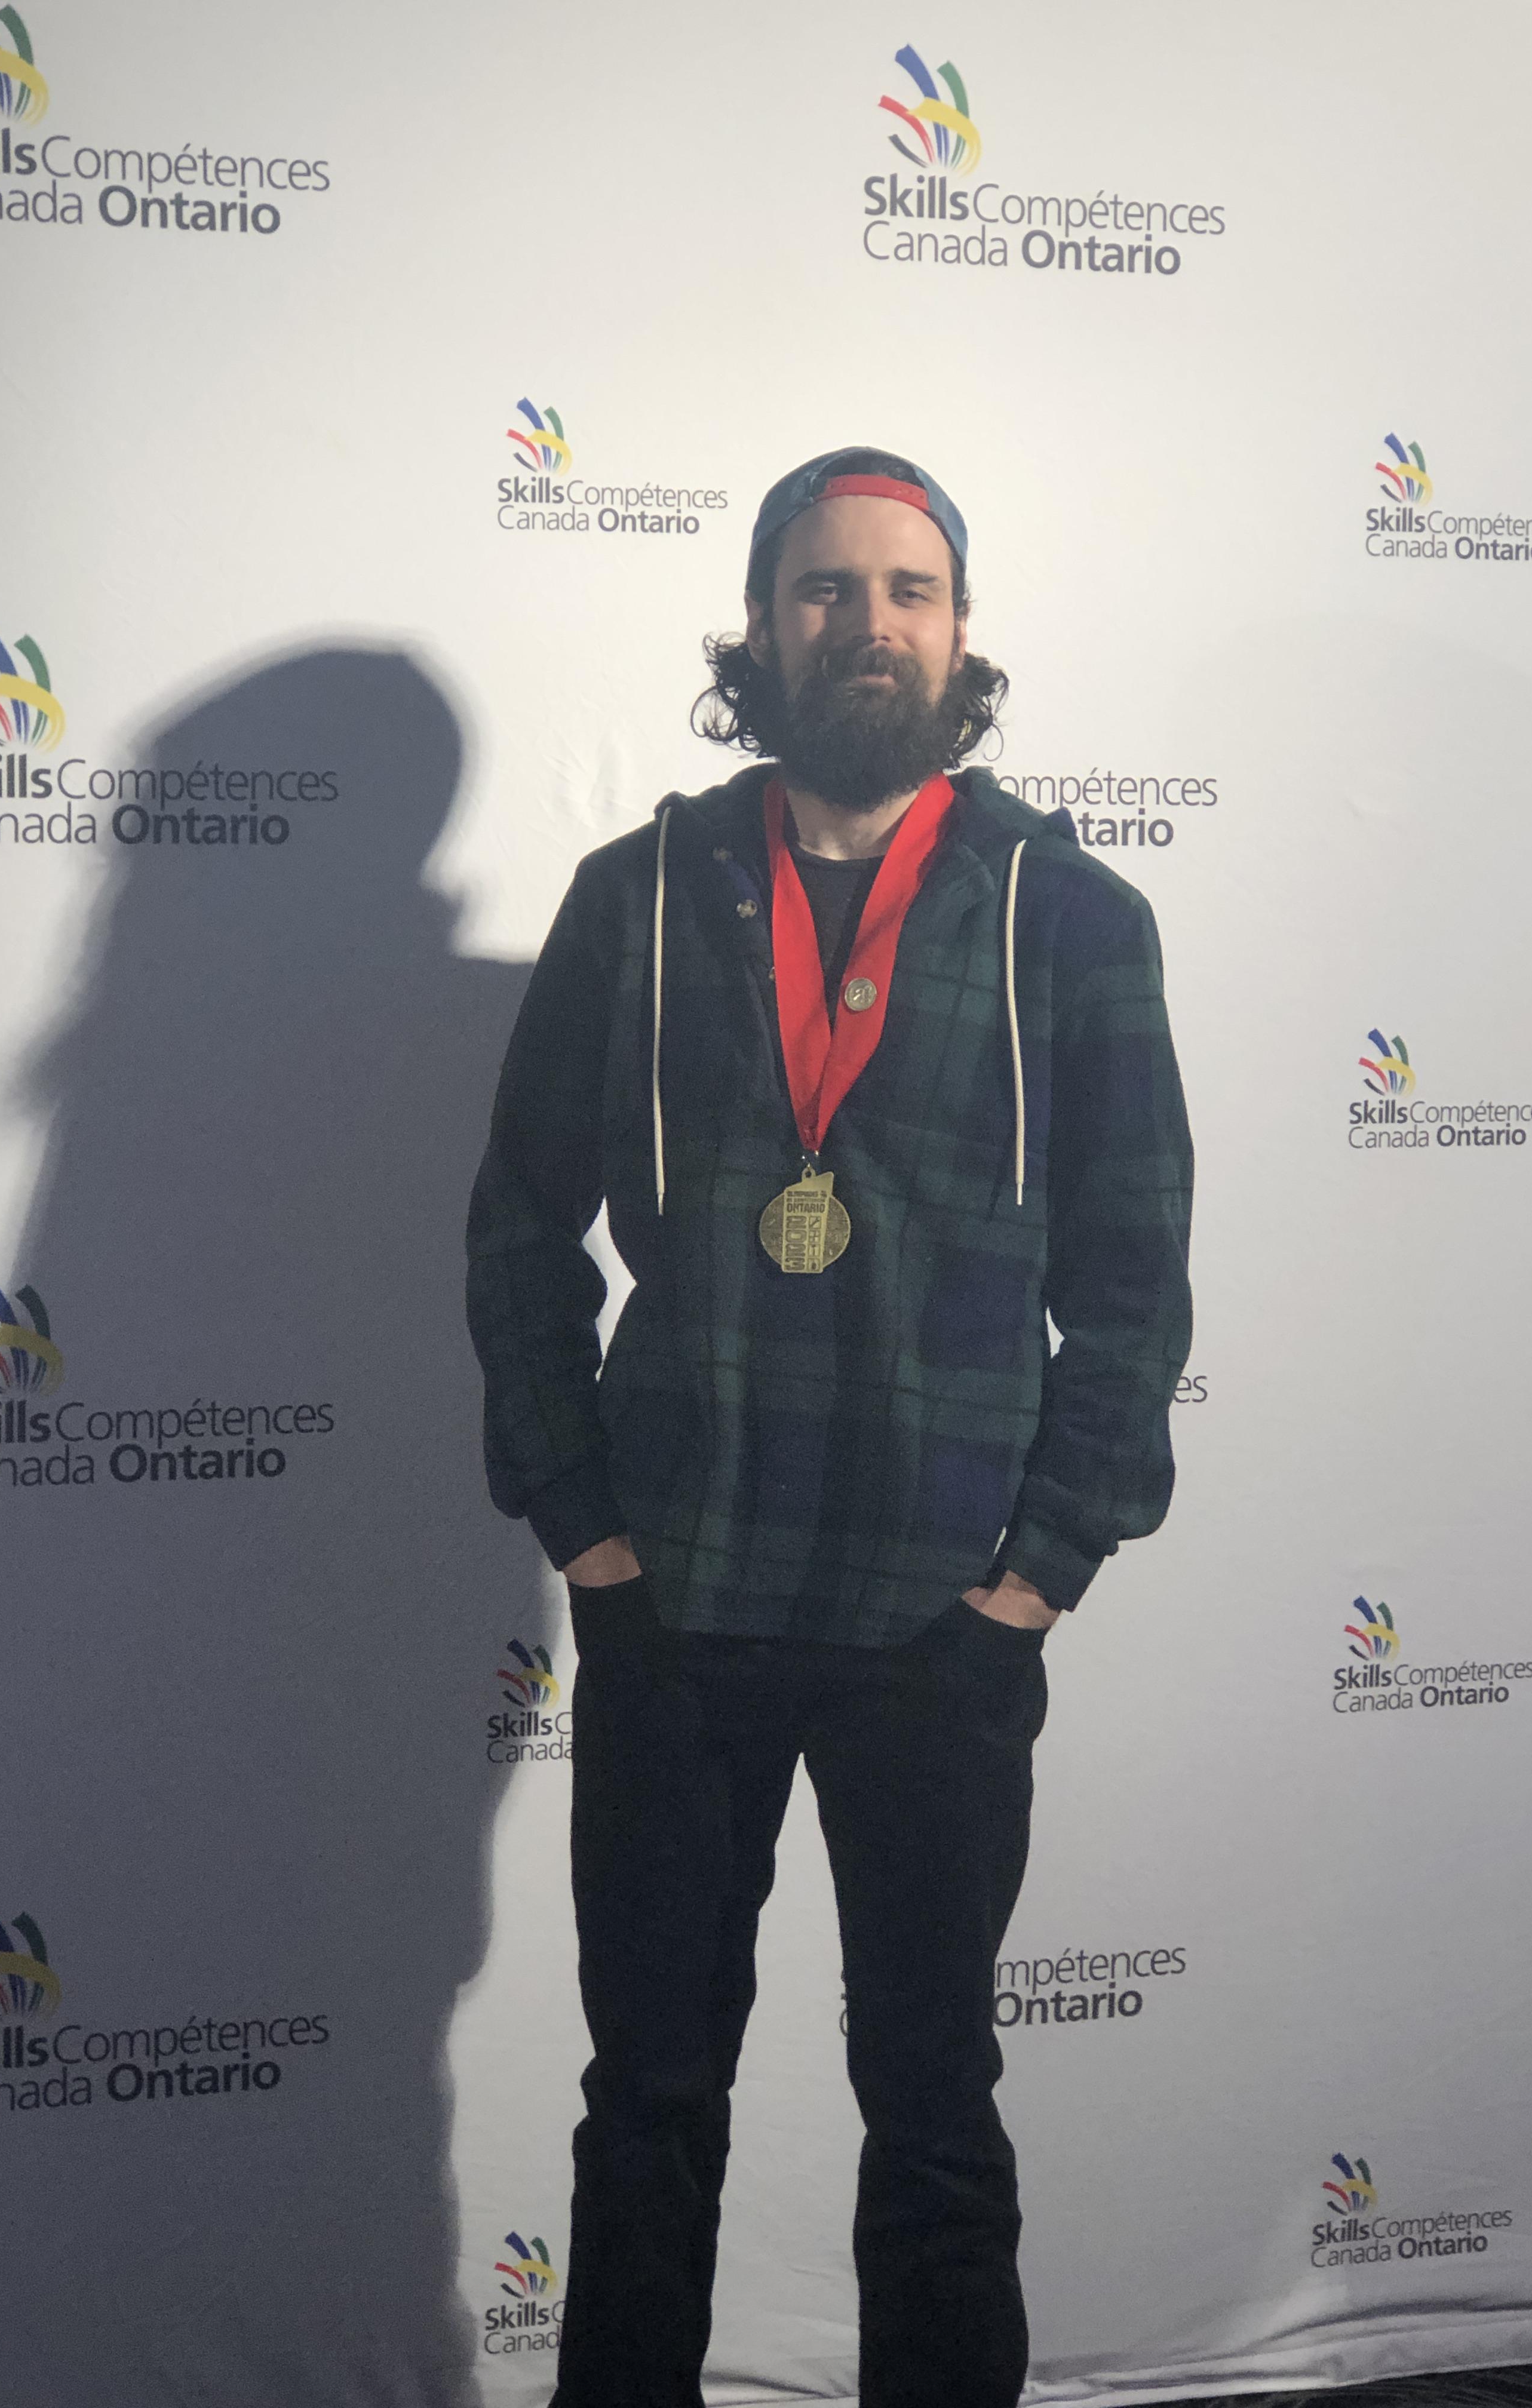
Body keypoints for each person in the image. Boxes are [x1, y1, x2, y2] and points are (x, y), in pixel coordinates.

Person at [466, 446, 1193, 2408]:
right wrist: (585, 1528)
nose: (863, 624)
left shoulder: (1076, 920)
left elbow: (1133, 1285)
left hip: (938, 1628)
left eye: (905, 590)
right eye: (821, 588)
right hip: (676, 1602)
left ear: (961, 636)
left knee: (939, 2121)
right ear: (759, 628)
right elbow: (522, 1222)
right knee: (650, 2112)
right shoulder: (639, 900)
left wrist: (1038, 1574)